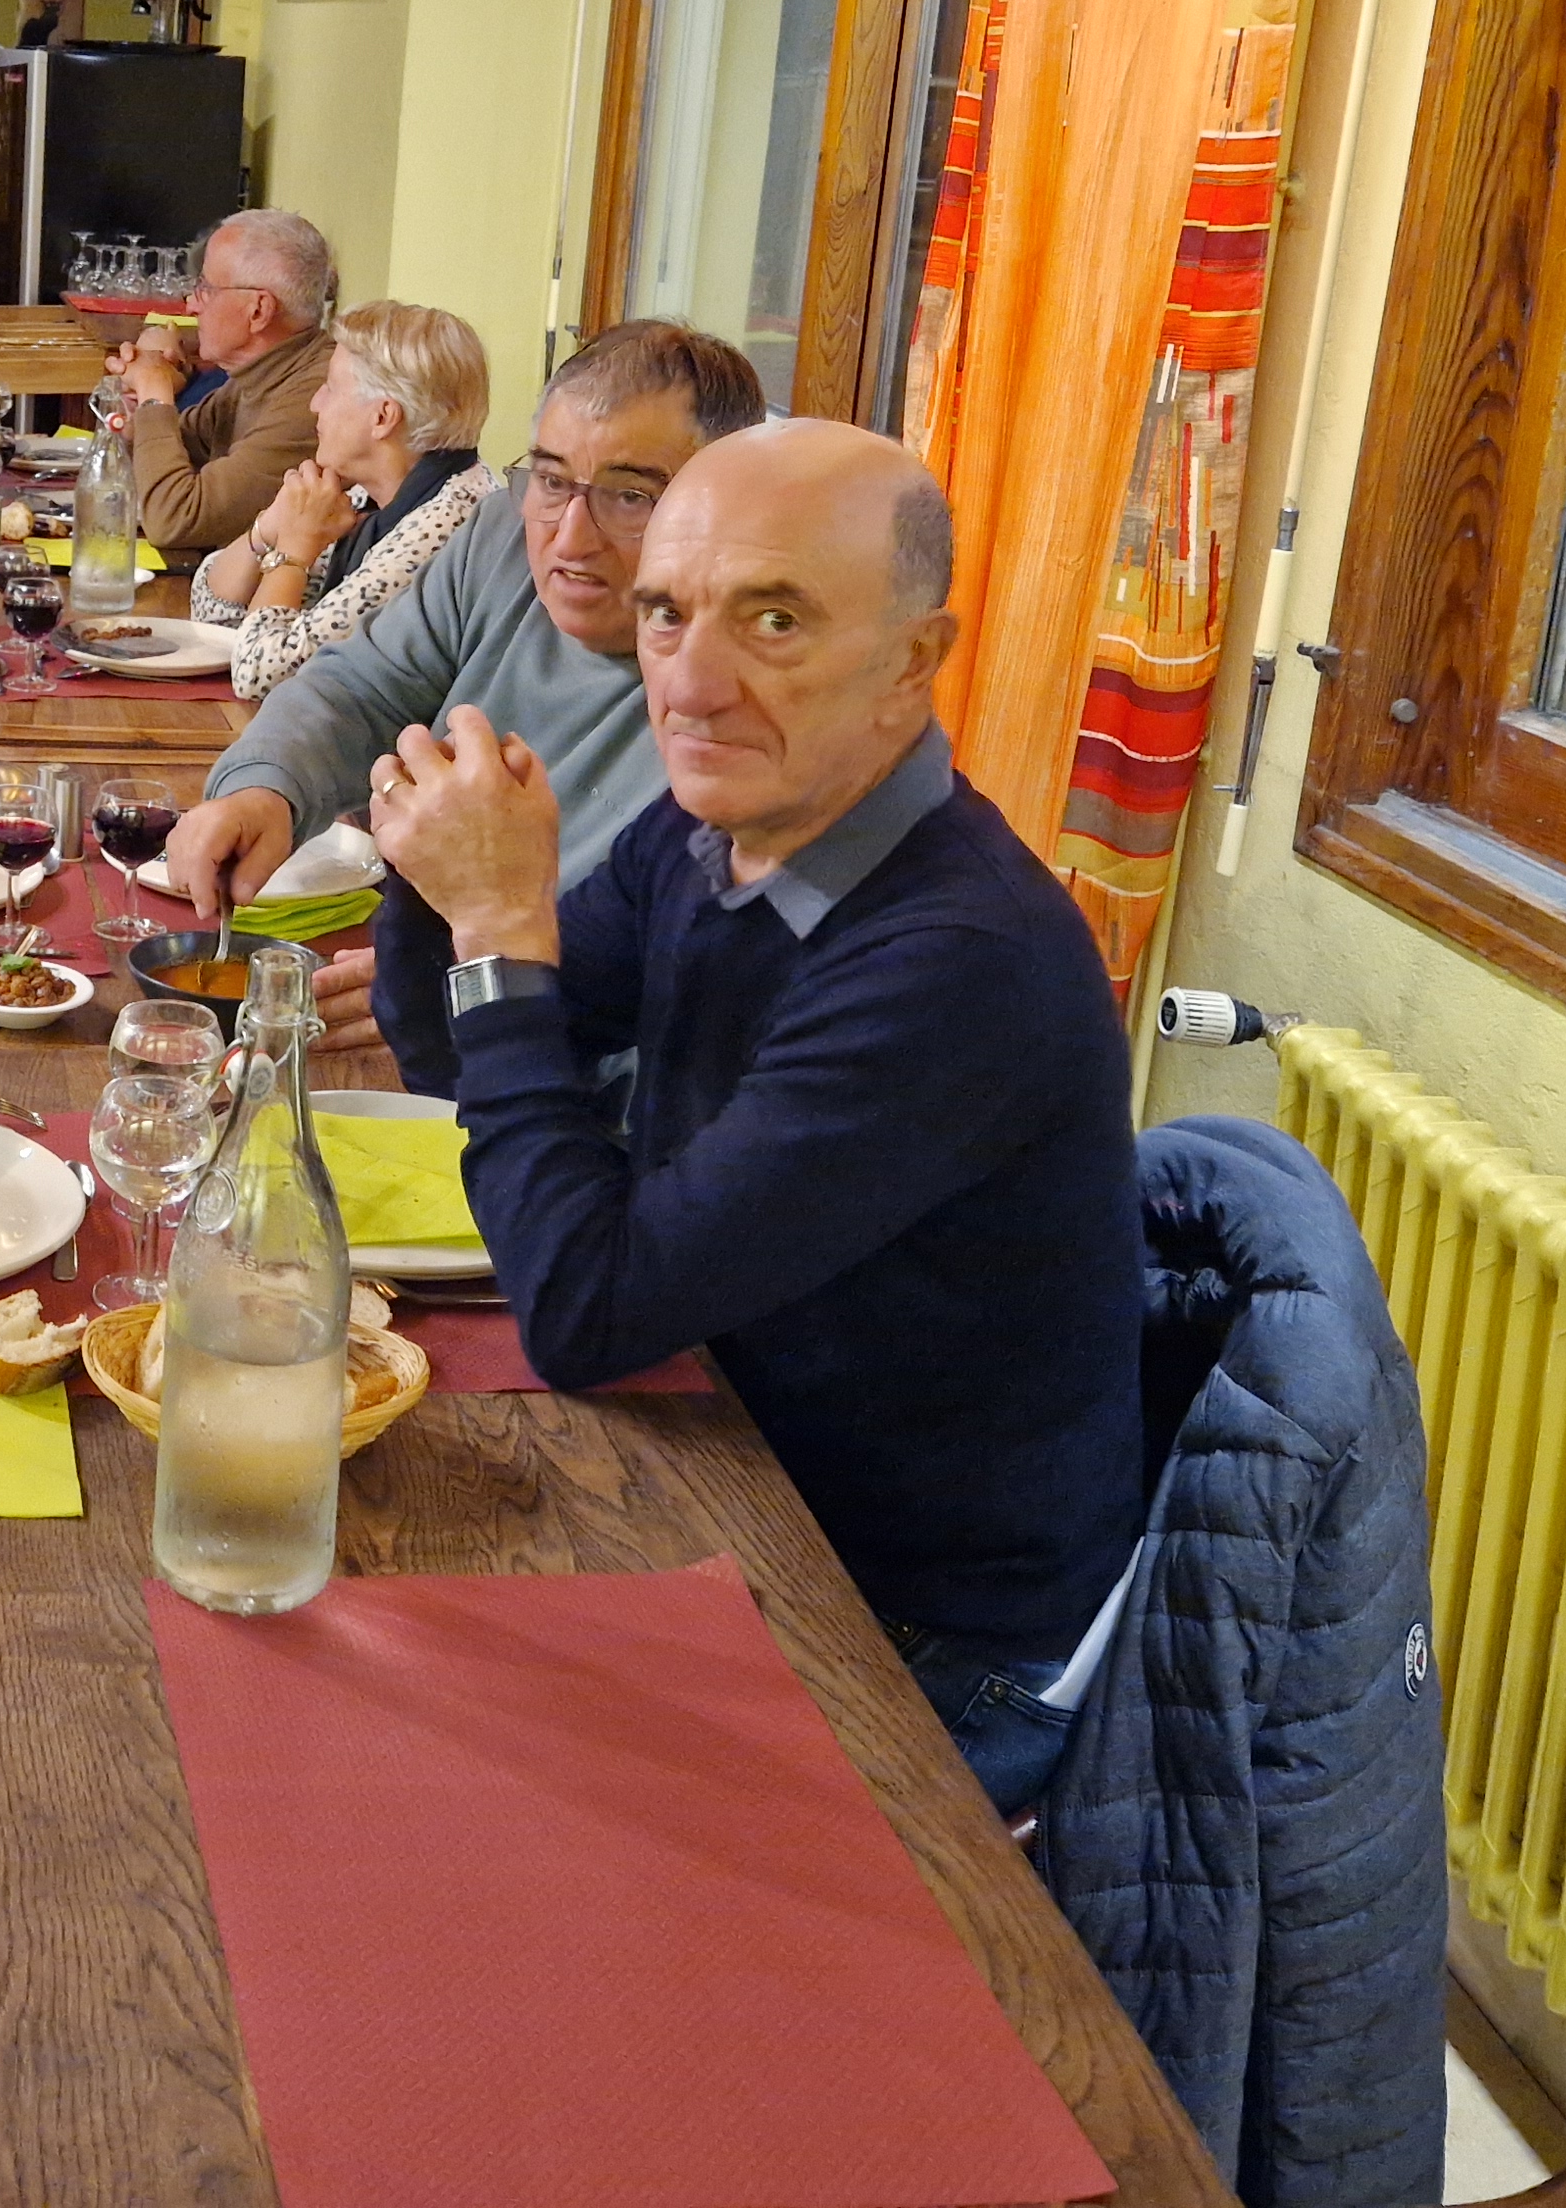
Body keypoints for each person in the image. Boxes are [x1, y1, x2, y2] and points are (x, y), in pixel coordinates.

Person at [362, 420, 1145, 1813]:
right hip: (736, 1458)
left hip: (921, 1639)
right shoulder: (717, 827)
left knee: (421, 1776)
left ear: (917, 657)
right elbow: (461, 1067)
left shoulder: (956, 958)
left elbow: (590, 1311)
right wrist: (435, 867)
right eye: (668, 614)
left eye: (772, 618)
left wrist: (496, 919)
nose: (694, 682)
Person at [164, 318, 763, 1035]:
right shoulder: (500, 535)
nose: (569, 537)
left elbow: (692, 968)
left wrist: (481, 980)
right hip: (436, 977)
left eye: (630, 496)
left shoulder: (747, 691)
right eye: (549, 479)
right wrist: (265, 790)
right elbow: (361, 687)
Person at [187, 298, 497, 699]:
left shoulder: (442, 527)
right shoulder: (373, 499)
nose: (315, 404)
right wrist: (273, 524)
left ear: (383, 417)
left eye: (331, 389)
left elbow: (261, 672)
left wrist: (295, 549)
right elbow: (213, 614)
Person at [105, 206, 337, 553]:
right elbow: (172, 450)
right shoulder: (260, 375)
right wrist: (135, 413)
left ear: (258, 310)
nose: (190, 306)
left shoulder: (315, 397)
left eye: (206, 289)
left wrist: (155, 393)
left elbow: (174, 520)